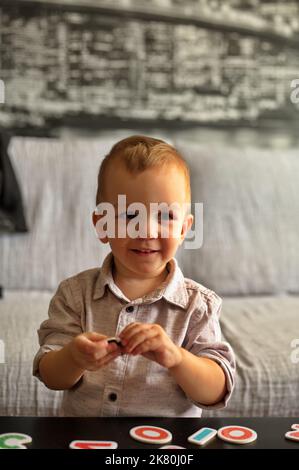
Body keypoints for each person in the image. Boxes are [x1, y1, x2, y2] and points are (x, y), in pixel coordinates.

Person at [33, 135, 235, 417]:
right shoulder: (74, 295)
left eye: (165, 216)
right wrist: (73, 358)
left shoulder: (197, 305)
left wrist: (176, 357)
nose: (147, 231)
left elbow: (217, 390)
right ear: (102, 224)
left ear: (184, 229)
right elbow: (50, 375)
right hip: (88, 441)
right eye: (129, 215)